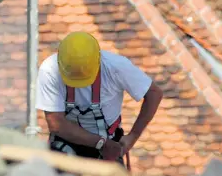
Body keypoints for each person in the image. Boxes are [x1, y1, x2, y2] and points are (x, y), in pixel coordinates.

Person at [35, 31, 163, 165]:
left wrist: (133, 136)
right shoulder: (50, 70)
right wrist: (100, 143)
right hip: (67, 141)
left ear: (99, 59)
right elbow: (56, 124)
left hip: (110, 144)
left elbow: (154, 93)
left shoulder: (116, 67)